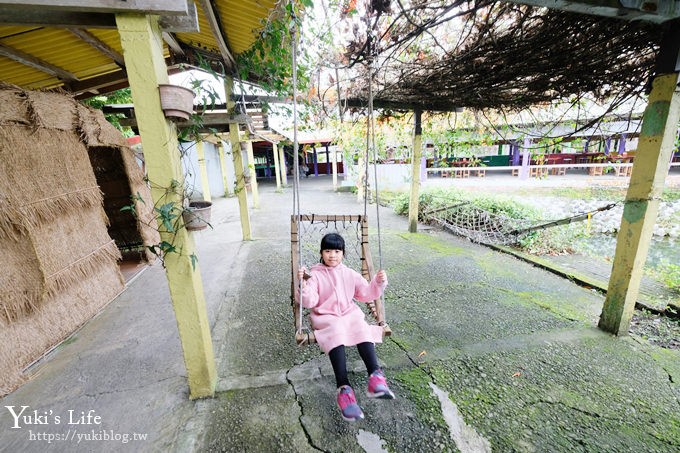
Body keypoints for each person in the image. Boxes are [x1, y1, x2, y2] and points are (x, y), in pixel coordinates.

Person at [297, 233, 394, 422]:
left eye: (337, 251)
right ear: (321, 253)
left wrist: (378, 282)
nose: (332, 255)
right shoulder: (314, 275)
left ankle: (375, 377)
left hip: (349, 313)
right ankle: (344, 389)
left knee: (361, 327)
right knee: (336, 334)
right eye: (327, 251)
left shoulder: (349, 273)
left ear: (343, 253)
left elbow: (366, 293)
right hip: (326, 317)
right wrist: (303, 285)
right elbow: (310, 301)